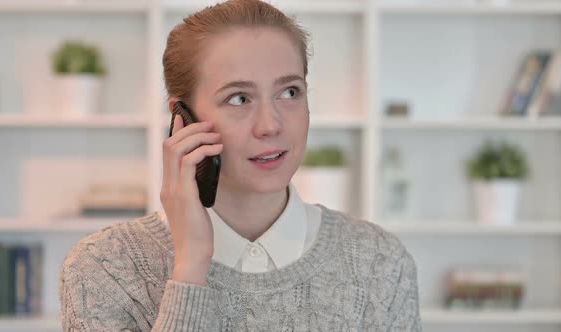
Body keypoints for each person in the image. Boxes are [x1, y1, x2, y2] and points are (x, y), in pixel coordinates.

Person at [59, 0, 422, 330]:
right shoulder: (103, 268)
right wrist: (190, 266)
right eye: (239, 98)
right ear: (182, 119)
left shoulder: (380, 263)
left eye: (290, 92)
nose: (271, 125)